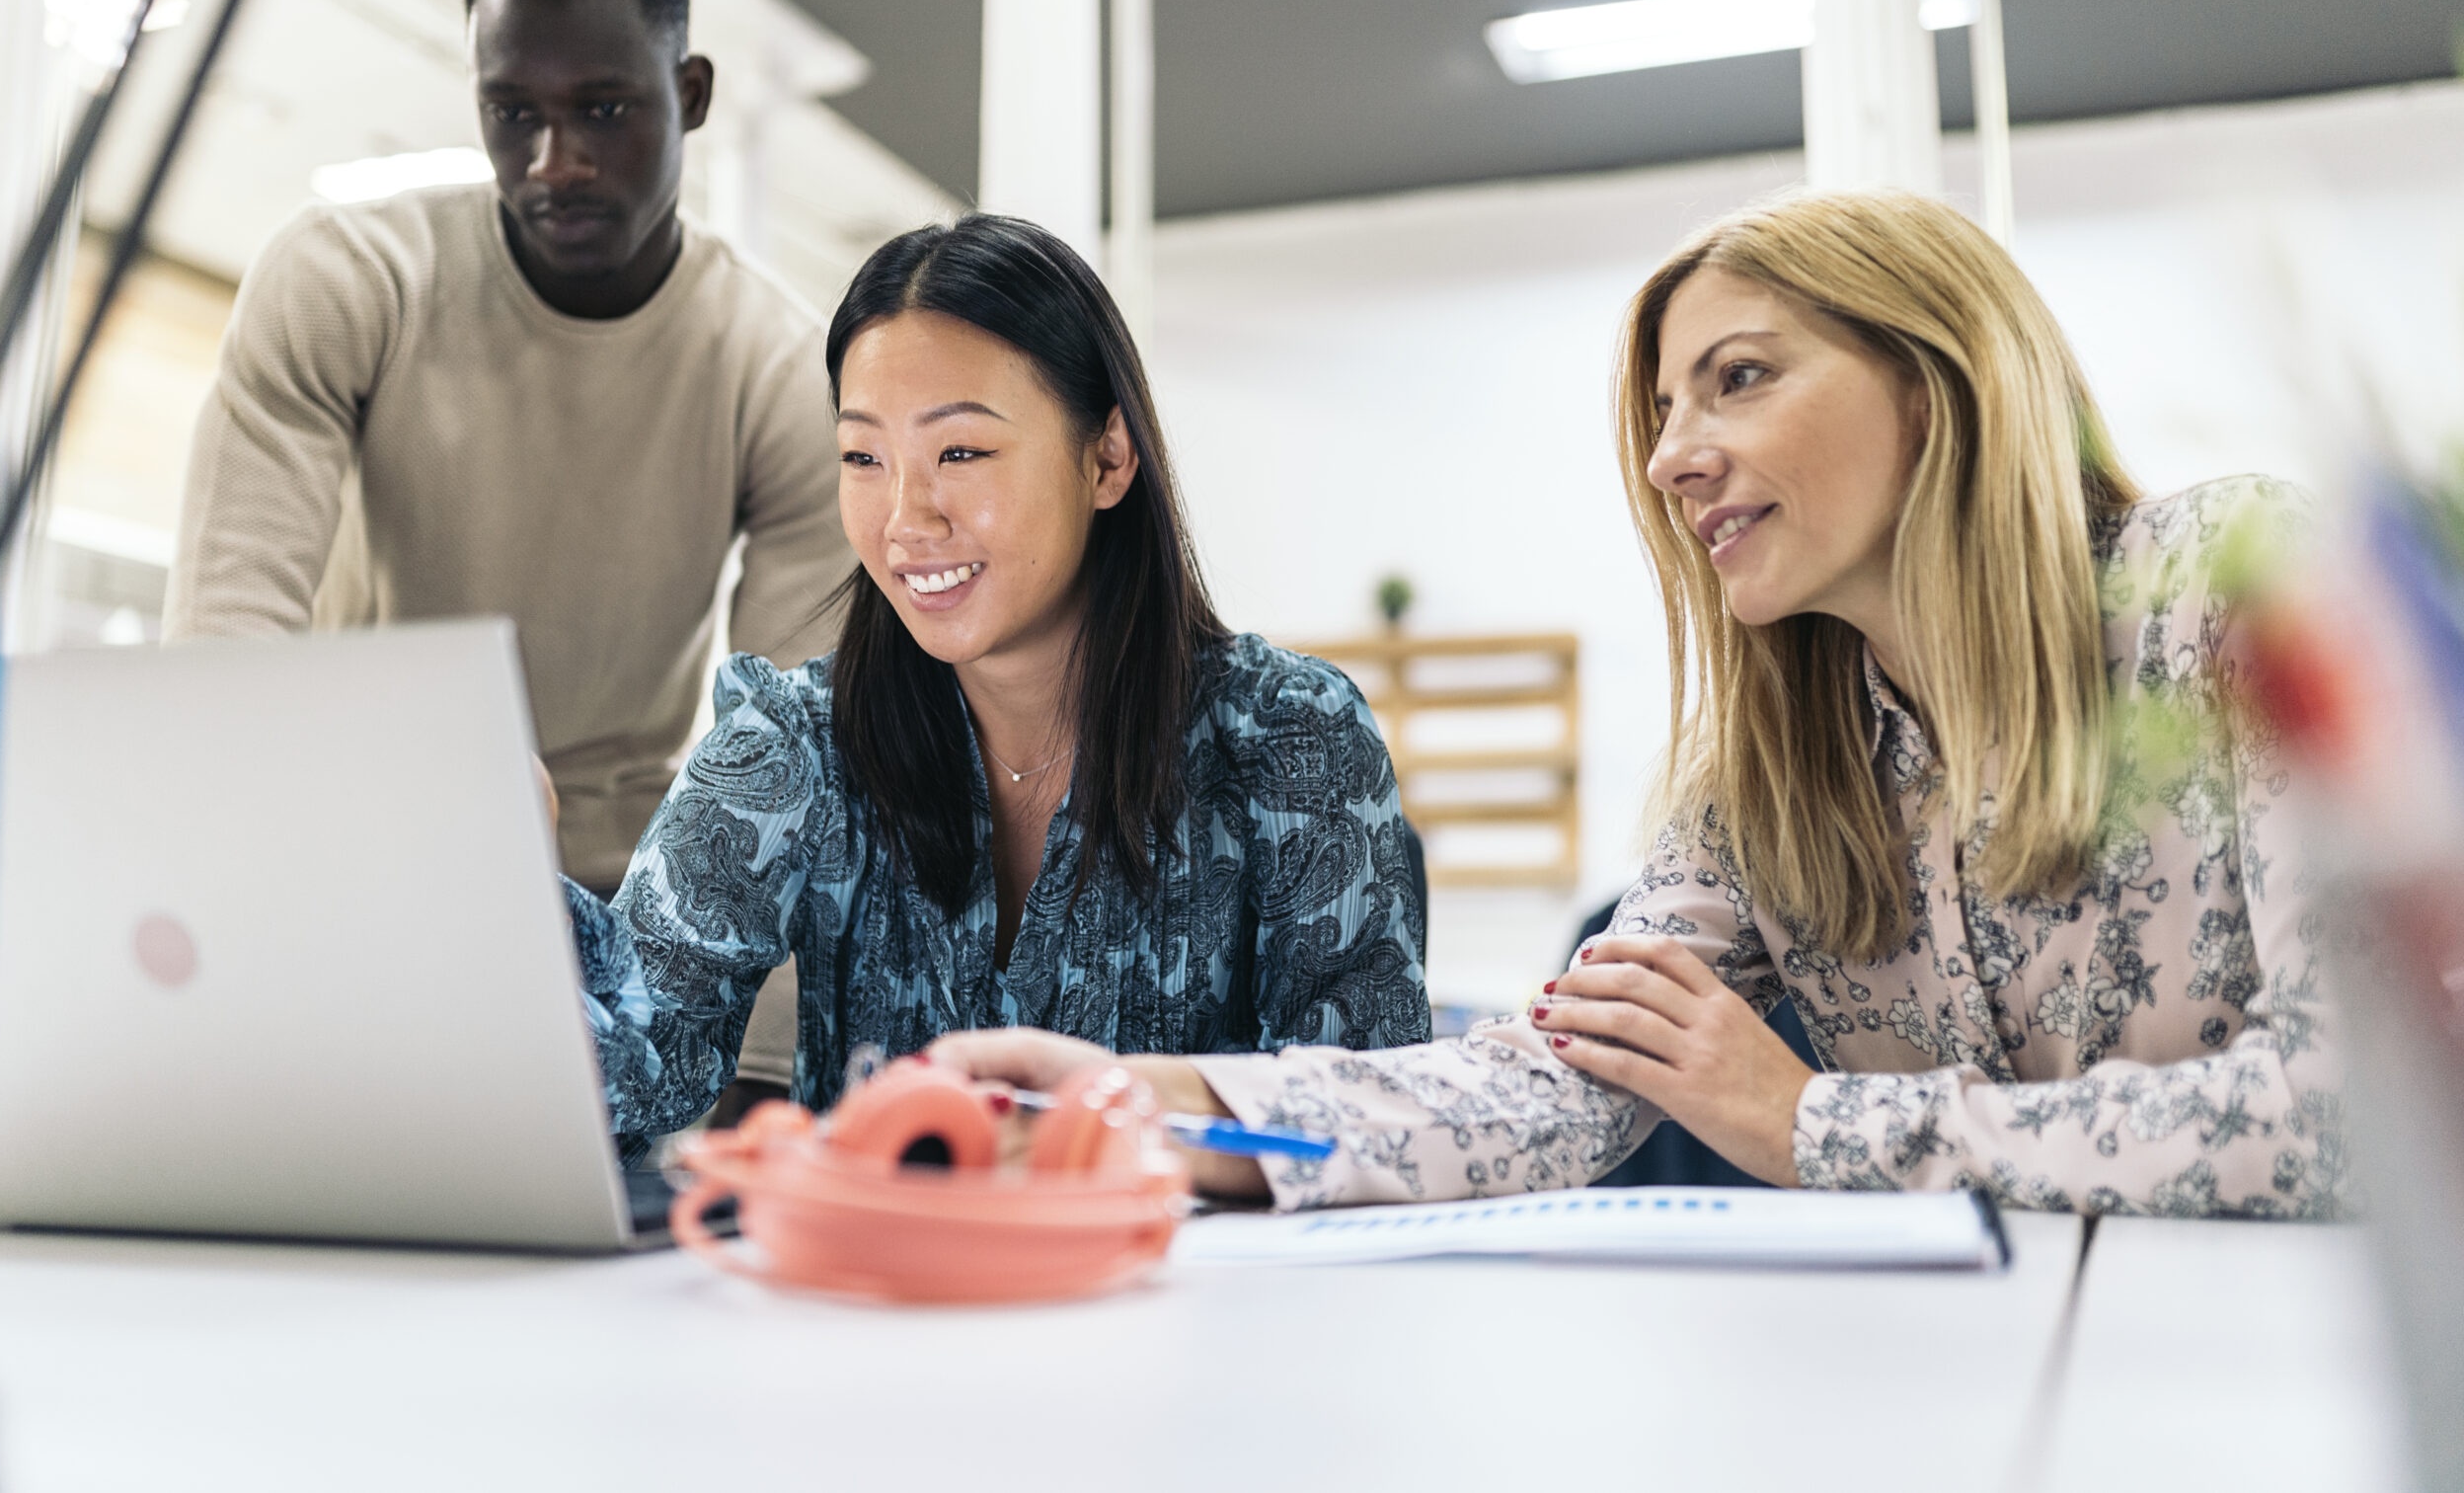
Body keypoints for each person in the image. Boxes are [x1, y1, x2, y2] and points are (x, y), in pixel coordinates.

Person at [931, 189, 2346, 1220]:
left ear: (1936, 381)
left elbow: (2345, 1112)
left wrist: (1815, 1122)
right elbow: (1559, 1082)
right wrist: (1158, 1103)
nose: (1673, 457)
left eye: (1739, 377)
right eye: (1665, 409)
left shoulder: (2237, 592)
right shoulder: (1759, 780)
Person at [164, 0, 850, 1070]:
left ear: (689, 96)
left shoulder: (786, 374)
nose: (554, 162)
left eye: (603, 110)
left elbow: (781, 782)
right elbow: (225, 660)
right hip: (346, 856)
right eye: (510, 112)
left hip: (611, 915)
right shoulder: (345, 279)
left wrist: (758, 1081)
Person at [570, 212, 1430, 1146]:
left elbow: (1367, 1122)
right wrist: (501, 893)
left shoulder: (1290, 738)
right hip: (872, 1288)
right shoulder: (792, 745)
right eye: (863, 457)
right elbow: (629, 1070)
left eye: (962, 453)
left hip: (1187, 1291)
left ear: (1108, 457)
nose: (906, 518)